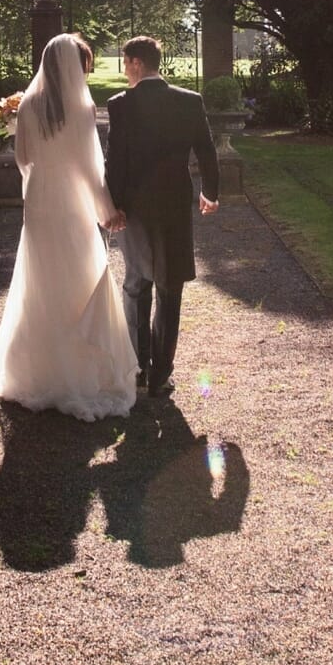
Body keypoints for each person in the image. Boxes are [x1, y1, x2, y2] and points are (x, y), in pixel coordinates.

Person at [0, 33, 139, 421]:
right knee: (79, 275)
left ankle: (35, 369)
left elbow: (24, 156)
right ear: (73, 66)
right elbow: (90, 168)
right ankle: (78, 369)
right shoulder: (80, 107)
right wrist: (106, 211)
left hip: (39, 201)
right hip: (70, 202)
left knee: (41, 278)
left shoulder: (29, 106)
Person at [105, 35, 220, 398]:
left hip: (135, 208)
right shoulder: (189, 101)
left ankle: (138, 372)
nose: (125, 72)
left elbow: (116, 160)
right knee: (170, 288)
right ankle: (161, 376)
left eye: (125, 64)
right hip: (173, 204)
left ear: (137, 63)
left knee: (137, 283)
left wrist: (113, 205)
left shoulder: (120, 105)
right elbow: (206, 150)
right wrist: (210, 192)